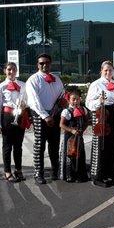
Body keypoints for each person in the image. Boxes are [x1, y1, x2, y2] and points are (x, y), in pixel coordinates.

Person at [26, 53, 64, 184]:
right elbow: (34, 101)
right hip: (39, 114)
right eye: (41, 63)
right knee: (39, 145)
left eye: (47, 62)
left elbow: (62, 95)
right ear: (38, 65)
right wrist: (45, 116)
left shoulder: (56, 79)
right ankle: (39, 173)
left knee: (54, 144)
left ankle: (55, 171)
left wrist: (58, 109)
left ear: (50, 64)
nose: (44, 65)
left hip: (54, 113)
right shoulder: (33, 79)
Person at [86, 60, 114, 187]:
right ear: (101, 71)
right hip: (100, 114)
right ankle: (98, 176)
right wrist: (99, 101)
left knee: (112, 144)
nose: (108, 72)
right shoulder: (96, 84)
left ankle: (111, 174)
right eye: (105, 70)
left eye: (110, 70)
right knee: (100, 145)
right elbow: (88, 103)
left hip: (113, 114)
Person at [0, 62, 28, 183]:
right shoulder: (1, 86)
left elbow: (27, 100)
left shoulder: (23, 85)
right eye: (9, 69)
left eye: (13, 69)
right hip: (7, 117)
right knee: (7, 146)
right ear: (4, 71)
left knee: (18, 146)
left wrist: (24, 106)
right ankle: (7, 171)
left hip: (20, 116)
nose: (11, 72)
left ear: (17, 70)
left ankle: (18, 170)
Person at [59, 88, 89, 183]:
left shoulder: (83, 110)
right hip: (69, 138)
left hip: (79, 137)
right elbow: (61, 124)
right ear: (69, 100)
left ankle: (80, 175)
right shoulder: (67, 111)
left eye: (77, 99)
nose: (76, 101)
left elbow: (86, 122)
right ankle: (69, 175)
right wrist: (71, 130)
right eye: (73, 99)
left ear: (80, 99)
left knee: (80, 155)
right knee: (70, 156)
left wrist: (82, 130)